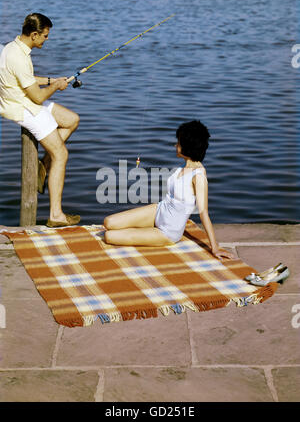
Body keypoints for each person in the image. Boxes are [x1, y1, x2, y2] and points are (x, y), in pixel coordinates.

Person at [104, 120, 235, 260]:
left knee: (109, 236)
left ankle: (149, 233)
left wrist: (214, 247)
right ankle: (146, 230)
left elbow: (203, 212)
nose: (175, 145)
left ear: (187, 146)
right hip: (159, 210)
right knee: (108, 222)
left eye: (178, 143)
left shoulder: (198, 176)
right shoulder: (182, 168)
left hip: (168, 231)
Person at [0, 13, 80, 227]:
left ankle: (43, 166)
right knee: (61, 154)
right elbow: (37, 96)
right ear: (34, 35)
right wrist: (55, 87)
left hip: (26, 101)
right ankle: (56, 215)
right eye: (45, 36)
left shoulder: (13, 47)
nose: (47, 39)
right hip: (24, 108)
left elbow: (26, 79)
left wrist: (51, 80)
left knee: (72, 119)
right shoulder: (17, 56)